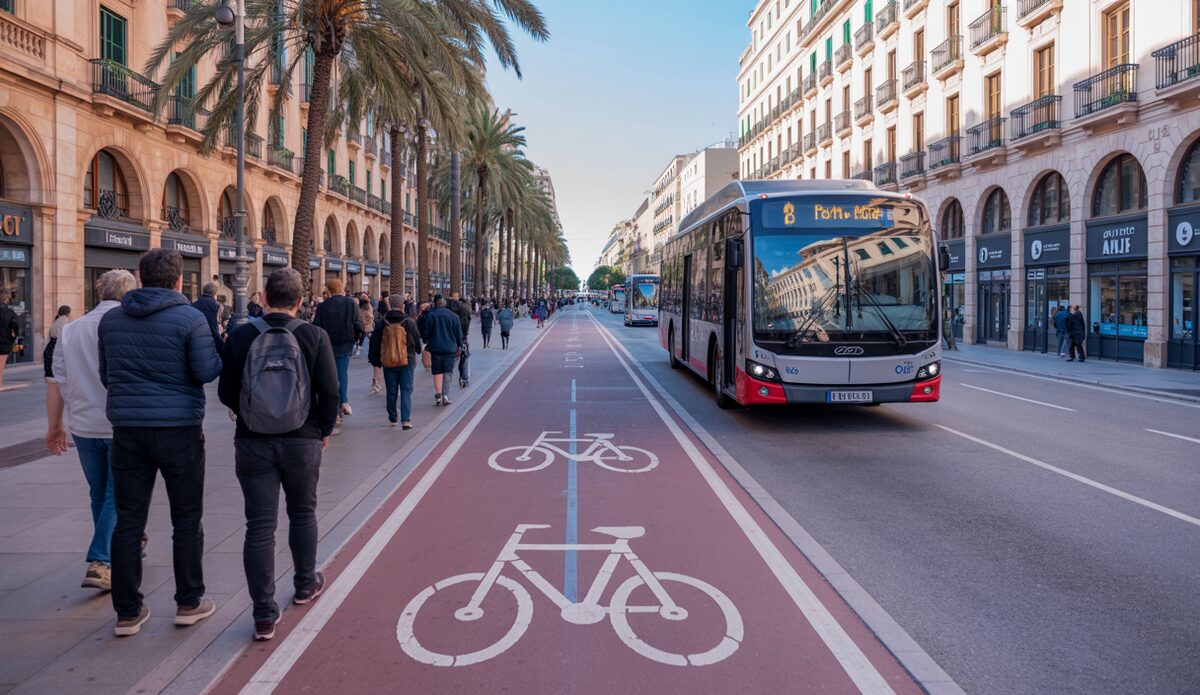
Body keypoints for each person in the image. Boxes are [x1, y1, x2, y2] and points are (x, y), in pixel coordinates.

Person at [97, 249, 223, 637]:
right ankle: (188, 601)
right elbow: (207, 371)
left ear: (140, 276)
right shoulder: (190, 318)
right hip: (179, 429)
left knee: (128, 520)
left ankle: (127, 612)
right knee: (186, 517)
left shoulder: (111, 321)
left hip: (128, 431)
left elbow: (107, 375)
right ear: (179, 280)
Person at [217, 268, 339, 641]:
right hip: (302, 439)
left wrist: (248, 412)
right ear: (301, 302)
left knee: (259, 526)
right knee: (303, 513)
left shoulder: (240, 336)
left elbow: (225, 391)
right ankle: (304, 585)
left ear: (265, 297)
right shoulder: (314, 336)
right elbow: (331, 392)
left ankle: (264, 615)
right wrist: (323, 429)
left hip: (252, 442)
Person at [45, 271, 136, 592]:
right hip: (119, 424)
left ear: (99, 292)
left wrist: (54, 426)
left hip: (83, 425)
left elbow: (55, 382)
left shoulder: (71, 330)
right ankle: (102, 559)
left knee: (100, 492)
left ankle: (123, 544)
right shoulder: (127, 325)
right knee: (117, 493)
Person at [369, 295, 423, 428]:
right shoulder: (409, 322)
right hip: (407, 359)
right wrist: (418, 350)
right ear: (402, 305)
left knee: (391, 390)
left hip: (389, 360)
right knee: (406, 390)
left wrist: (375, 361)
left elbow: (374, 343)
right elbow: (416, 339)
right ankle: (406, 420)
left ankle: (393, 417)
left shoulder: (382, 322)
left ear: (389, 305)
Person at [312, 279, 363, 418]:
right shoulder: (350, 303)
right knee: (342, 373)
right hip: (345, 343)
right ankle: (343, 402)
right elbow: (358, 323)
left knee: (328, 375)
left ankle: (333, 405)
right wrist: (355, 338)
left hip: (327, 344)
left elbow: (317, 326)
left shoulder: (323, 306)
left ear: (328, 290)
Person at [420, 297, 463, 406]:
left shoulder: (431, 315)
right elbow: (459, 334)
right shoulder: (454, 316)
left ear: (436, 304)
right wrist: (460, 345)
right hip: (450, 348)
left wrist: (426, 340)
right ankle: (445, 395)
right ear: (445, 305)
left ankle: (438, 395)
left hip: (435, 348)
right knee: (448, 372)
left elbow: (427, 332)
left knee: (437, 371)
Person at [193, 282, 225, 357]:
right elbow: (218, 322)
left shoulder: (194, 304)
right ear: (215, 293)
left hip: (197, 335)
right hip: (212, 336)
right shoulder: (217, 305)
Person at [448, 291, 472, 388]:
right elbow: (467, 322)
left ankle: (447, 381)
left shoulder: (447, 307)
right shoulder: (464, 307)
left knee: (452, 360)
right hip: (461, 337)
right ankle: (464, 378)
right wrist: (465, 335)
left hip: (450, 338)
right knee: (464, 357)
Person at [43, 305, 72, 379]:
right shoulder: (66, 322)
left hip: (50, 347)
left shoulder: (56, 321)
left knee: (50, 374)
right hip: (58, 346)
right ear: (68, 313)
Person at [0, 288, 20, 389]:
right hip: (5, 341)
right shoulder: (10, 312)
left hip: (5, 341)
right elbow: (15, 326)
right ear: (7, 298)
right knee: (1, 364)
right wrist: (15, 337)